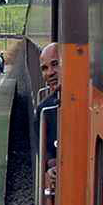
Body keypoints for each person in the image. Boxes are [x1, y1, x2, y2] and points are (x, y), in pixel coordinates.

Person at [34, 42, 61, 186]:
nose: (50, 72)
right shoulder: (44, 110)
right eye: (44, 68)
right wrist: (51, 170)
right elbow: (47, 158)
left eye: (55, 64)